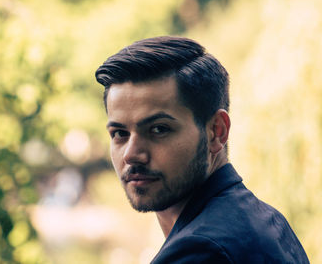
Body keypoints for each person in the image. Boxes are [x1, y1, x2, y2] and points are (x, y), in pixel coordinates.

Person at [95, 36, 309, 263]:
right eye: (119, 133)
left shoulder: (201, 250)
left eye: (158, 129)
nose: (131, 154)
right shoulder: (270, 221)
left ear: (216, 131)